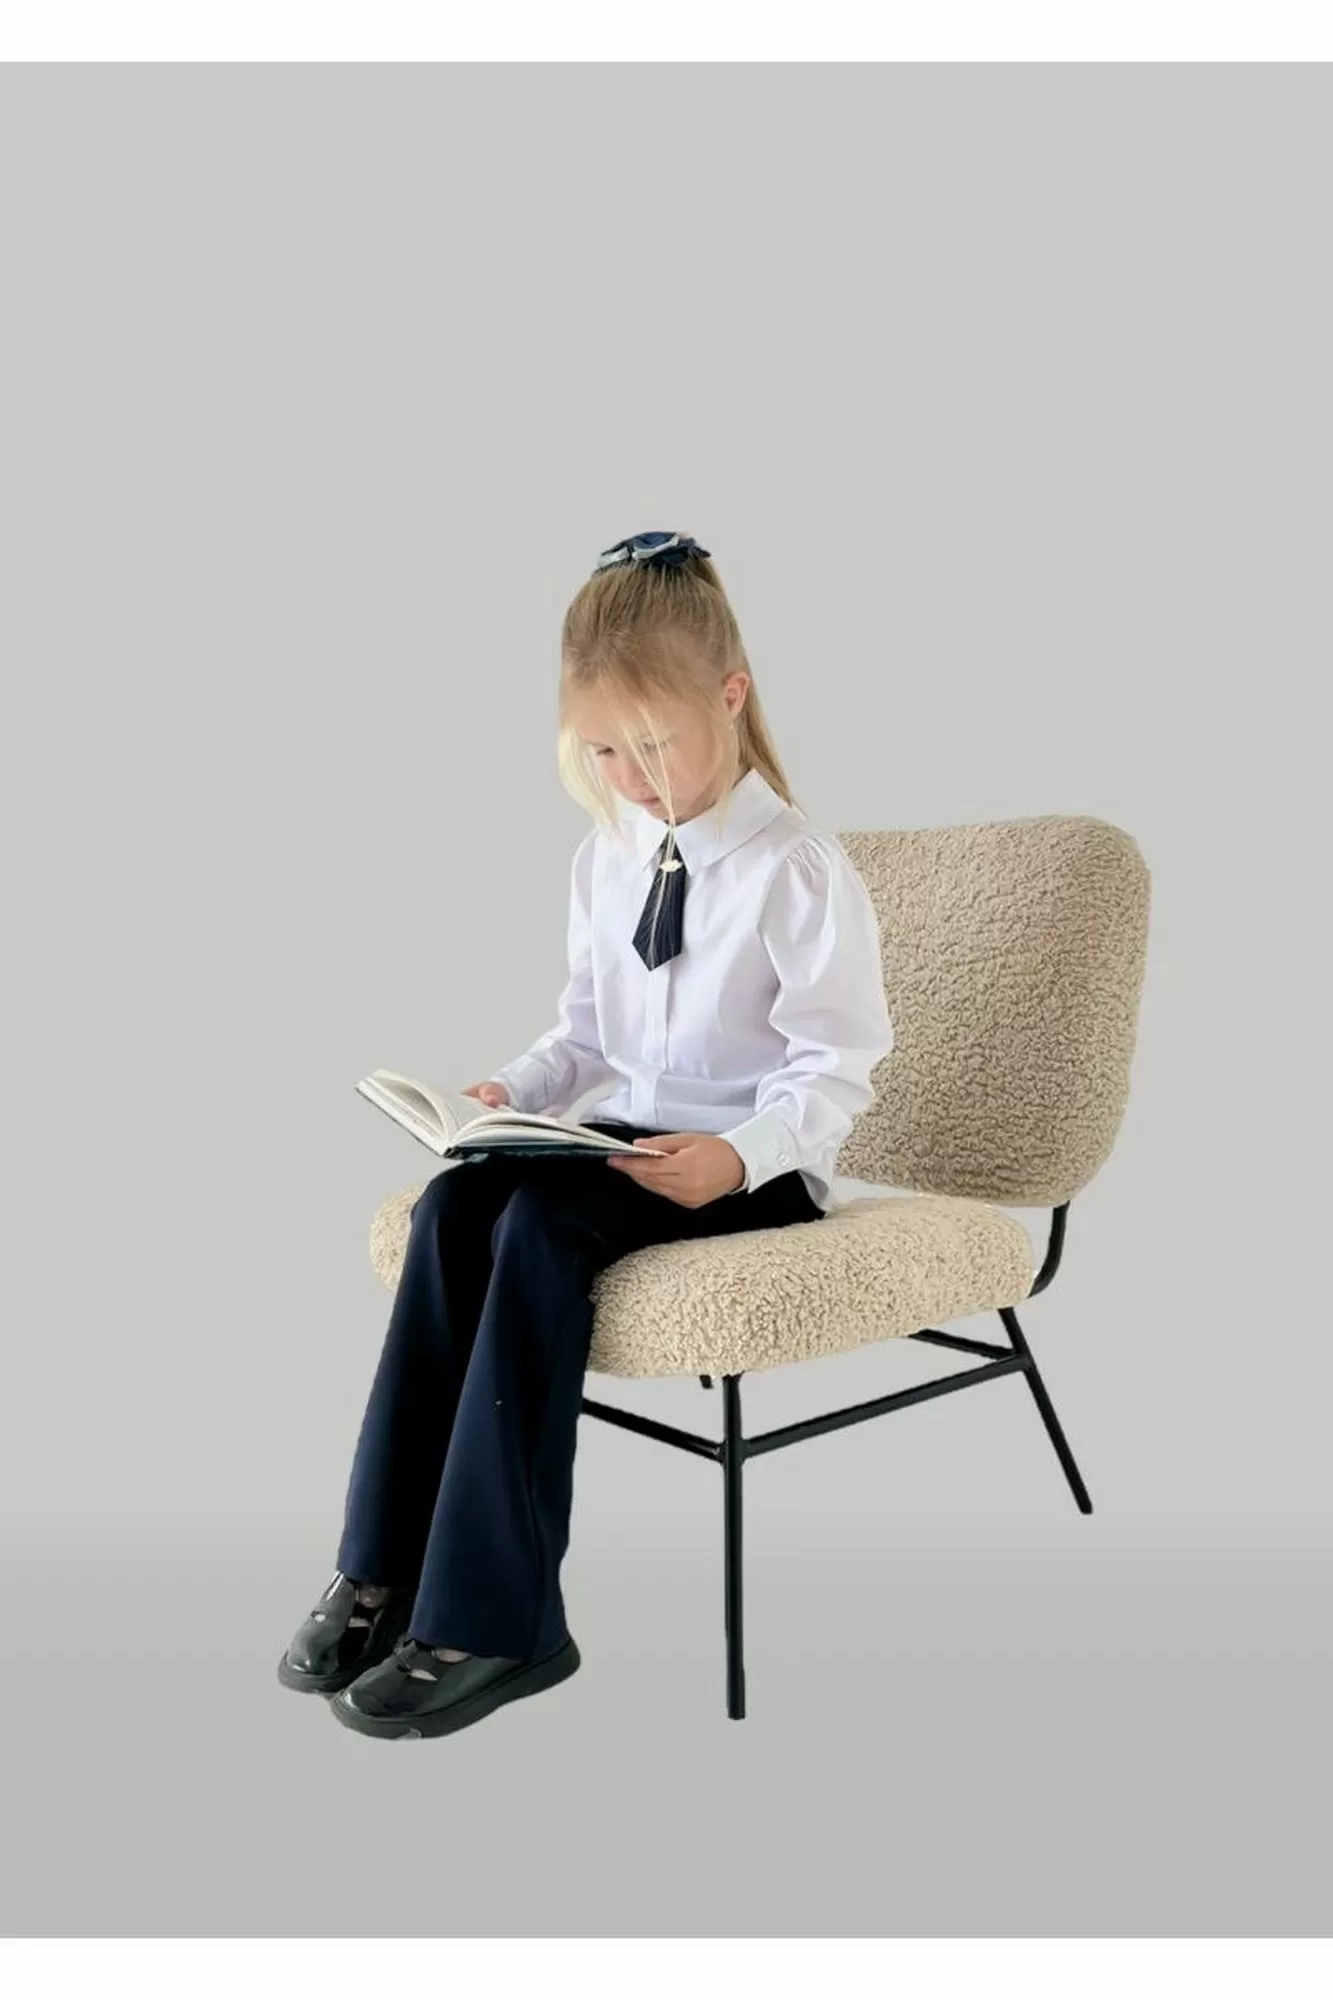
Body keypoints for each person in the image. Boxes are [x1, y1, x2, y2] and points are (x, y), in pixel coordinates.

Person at [277, 529, 895, 1741]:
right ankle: (381, 1565)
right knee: (458, 1204)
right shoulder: (608, 855)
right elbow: (585, 1034)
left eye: (652, 744)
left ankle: (502, 1619)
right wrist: (505, 1092)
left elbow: (839, 1068)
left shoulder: (796, 869)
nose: (629, 774)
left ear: (731, 695)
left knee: (542, 1228)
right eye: (602, 749)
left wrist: (739, 1155)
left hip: (750, 1162)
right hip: (623, 1140)